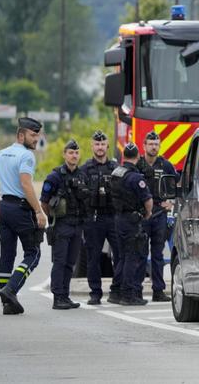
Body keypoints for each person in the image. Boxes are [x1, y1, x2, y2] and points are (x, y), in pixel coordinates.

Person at [0, 117, 47, 315]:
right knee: (33, 254)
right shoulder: (26, 156)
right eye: (33, 135)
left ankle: (8, 304)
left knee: (7, 255)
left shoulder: (1, 153)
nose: (36, 138)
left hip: (6, 208)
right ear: (21, 135)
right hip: (21, 209)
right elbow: (26, 184)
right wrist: (38, 211)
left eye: (38, 134)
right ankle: (11, 289)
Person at [40, 139, 89, 310]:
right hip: (62, 225)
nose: (74, 155)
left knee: (70, 263)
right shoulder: (55, 176)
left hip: (77, 226)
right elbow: (44, 202)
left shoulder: (82, 176)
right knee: (60, 262)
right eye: (71, 152)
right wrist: (52, 219)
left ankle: (65, 295)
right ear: (64, 154)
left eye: (76, 153)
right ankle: (57, 297)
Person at [82, 130, 122, 305]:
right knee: (93, 257)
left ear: (107, 145)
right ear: (92, 146)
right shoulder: (84, 169)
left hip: (113, 217)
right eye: (96, 144)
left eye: (102, 144)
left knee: (120, 255)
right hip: (94, 219)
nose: (100, 147)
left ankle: (117, 289)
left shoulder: (116, 168)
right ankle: (95, 293)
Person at [137, 131, 176, 302]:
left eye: (156, 144)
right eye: (151, 144)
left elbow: (177, 184)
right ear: (144, 146)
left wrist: (172, 201)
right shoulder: (137, 165)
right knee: (140, 252)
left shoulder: (165, 165)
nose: (154, 147)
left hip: (160, 214)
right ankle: (136, 290)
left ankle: (158, 291)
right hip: (142, 216)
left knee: (158, 254)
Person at [111, 142, 152, 306]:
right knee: (131, 258)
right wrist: (148, 213)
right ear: (137, 157)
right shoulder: (136, 178)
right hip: (132, 221)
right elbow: (148, 201)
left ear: (123, 157)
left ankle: (115, 291)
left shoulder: (116, 173)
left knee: (121, 257)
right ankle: (128, 295)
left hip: (118, 219)